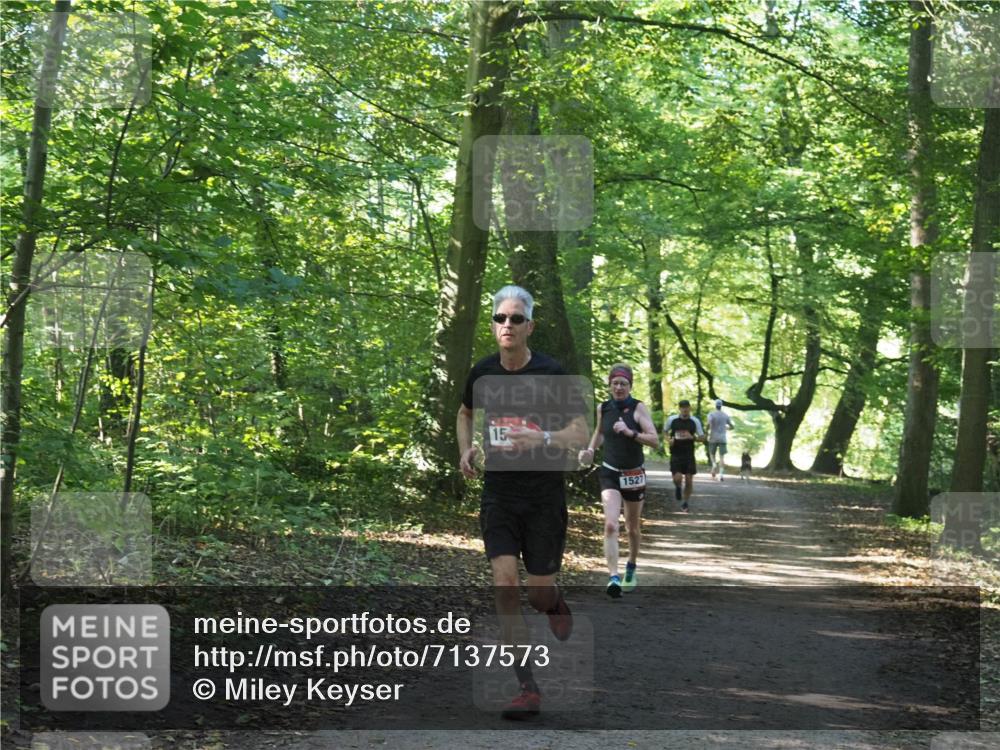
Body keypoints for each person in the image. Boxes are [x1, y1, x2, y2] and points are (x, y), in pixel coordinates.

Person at [457, 285, 589, 720]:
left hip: (544, 495)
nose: (507, 325)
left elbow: (580, 432)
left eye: (516, 318)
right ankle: (527, 687)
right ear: (493, 325)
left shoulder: (552, 373)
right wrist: (466, 449)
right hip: (500, 493)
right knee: (506, 586)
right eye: (500, 318)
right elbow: (465, 413)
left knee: (536, 594)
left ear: (530, 325)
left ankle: (555, 602)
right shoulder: (482, 373)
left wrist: (542, 437)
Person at [578, 364, 659, 598]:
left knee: (632, 527)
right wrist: (591, 449)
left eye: (624, 383)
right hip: (610, 472)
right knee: (611, 524)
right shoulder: (603, 407)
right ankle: (613, 576)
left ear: (630, 386)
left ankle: (631, 565)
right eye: (615, 383)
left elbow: (654, 441)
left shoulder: (638, 408)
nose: (619, 387)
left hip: (633, 473)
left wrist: (630, 432)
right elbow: (600, 432)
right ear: (610, 385)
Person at [663, 399, 706, 512]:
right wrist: (669, 440)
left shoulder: (695, 421)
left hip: (689, 454)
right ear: (679, 409)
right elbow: (665, 432)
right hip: (676, 452)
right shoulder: (672, 420)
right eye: (682, 407)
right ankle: (678, 487)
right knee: (677, 478)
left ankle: (685, 502)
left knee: (688, 480)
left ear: (689, 408)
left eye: (686, 407)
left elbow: (702, 437)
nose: (685, 409)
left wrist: (692, 437)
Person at [707, 398, 735, 481]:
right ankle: (721, 475)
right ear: (721, 406)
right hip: (722, 438)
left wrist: (706, 431)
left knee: (712, 453)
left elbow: (709, 424)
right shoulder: (725, 415)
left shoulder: (711, 414)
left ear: (715, 405)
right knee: (722, 457)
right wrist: (727, 429)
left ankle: (714, 464)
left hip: (713, 437)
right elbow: (732, 426)